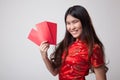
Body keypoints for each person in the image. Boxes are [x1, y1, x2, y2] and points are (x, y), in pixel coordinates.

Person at [39, 5, 108, 80]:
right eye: (68, 23)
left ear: (84, 22)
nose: (71, 27)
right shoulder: (66, 44)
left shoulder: (93, 47)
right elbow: (54, 71)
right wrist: (44, 56)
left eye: (75, 22)